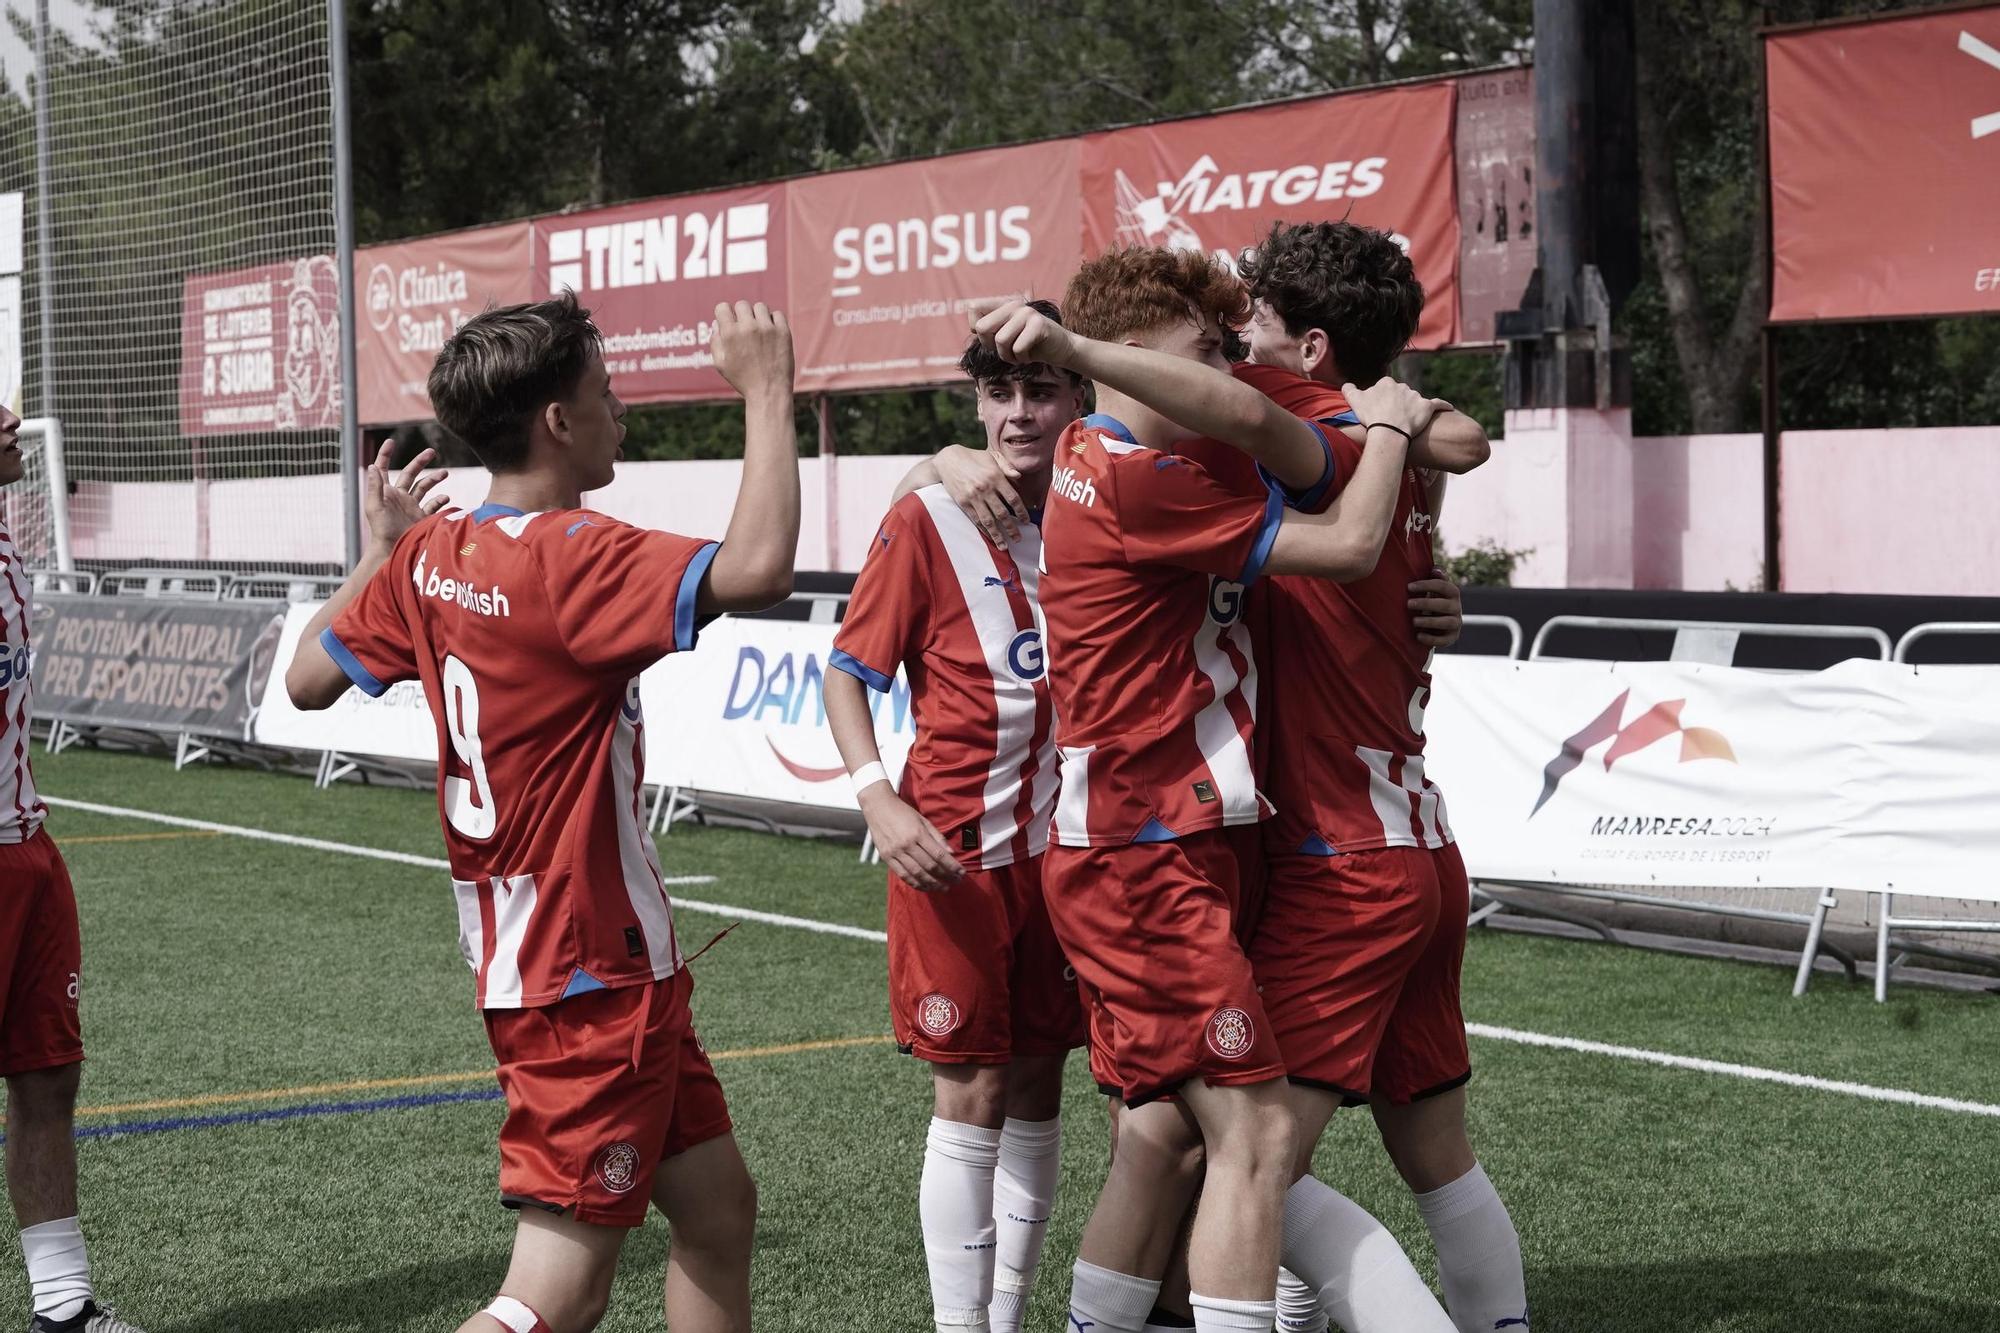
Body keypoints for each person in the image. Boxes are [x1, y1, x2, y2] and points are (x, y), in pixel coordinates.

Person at [285, 293, 798, 1333]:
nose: (620, 414)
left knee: (718, 1212)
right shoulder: (569, 554)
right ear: (557, 423)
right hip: (584, 973)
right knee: (552, 1295)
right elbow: (758, 569)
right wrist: (767, 388)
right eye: (605, 395)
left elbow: (304, 679)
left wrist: (381, 550)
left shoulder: (433, 556)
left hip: (565, 960)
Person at [968, 248, 1441, 1333]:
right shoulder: (1132, 471)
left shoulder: (1137, 450)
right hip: (1141, 851)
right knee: (1257, 1137)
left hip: (1165, 841)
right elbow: (1353, 535)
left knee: (1163, 1136)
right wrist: (1390, 431)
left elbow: (1438, 445)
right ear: (1136, 366)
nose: (1225, 376)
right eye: (1203, 356)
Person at [1235, 221, 1526, 1333]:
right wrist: (1397, 408)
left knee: (1242, 1155)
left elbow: (1453, 436)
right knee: (1431, 1147)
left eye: (1250, 322)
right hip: (1414, 848)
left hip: (1340, 860)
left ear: (1308, 351)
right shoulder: (1386, 436)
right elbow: (1459, 437)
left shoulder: (1310, 434)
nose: (1229, 341)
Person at [824, 302, 1088, 1333]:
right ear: (977, 402)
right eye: (996, 393)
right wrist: (874, 794)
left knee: (1036, 1084)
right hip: (954, 854)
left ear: (1078, 394)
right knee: (970, 1092)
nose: (1019, 413)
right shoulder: (928, 516)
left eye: (1039, 389)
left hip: (1068, 857)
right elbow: (849, 674)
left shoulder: (1103, 510)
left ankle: (1009, 1313)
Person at [0, 408, 147, 1333]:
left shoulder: (7, 545)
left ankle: (63, 1308)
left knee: (48, 1075)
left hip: (27, 849)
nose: (14, 421)